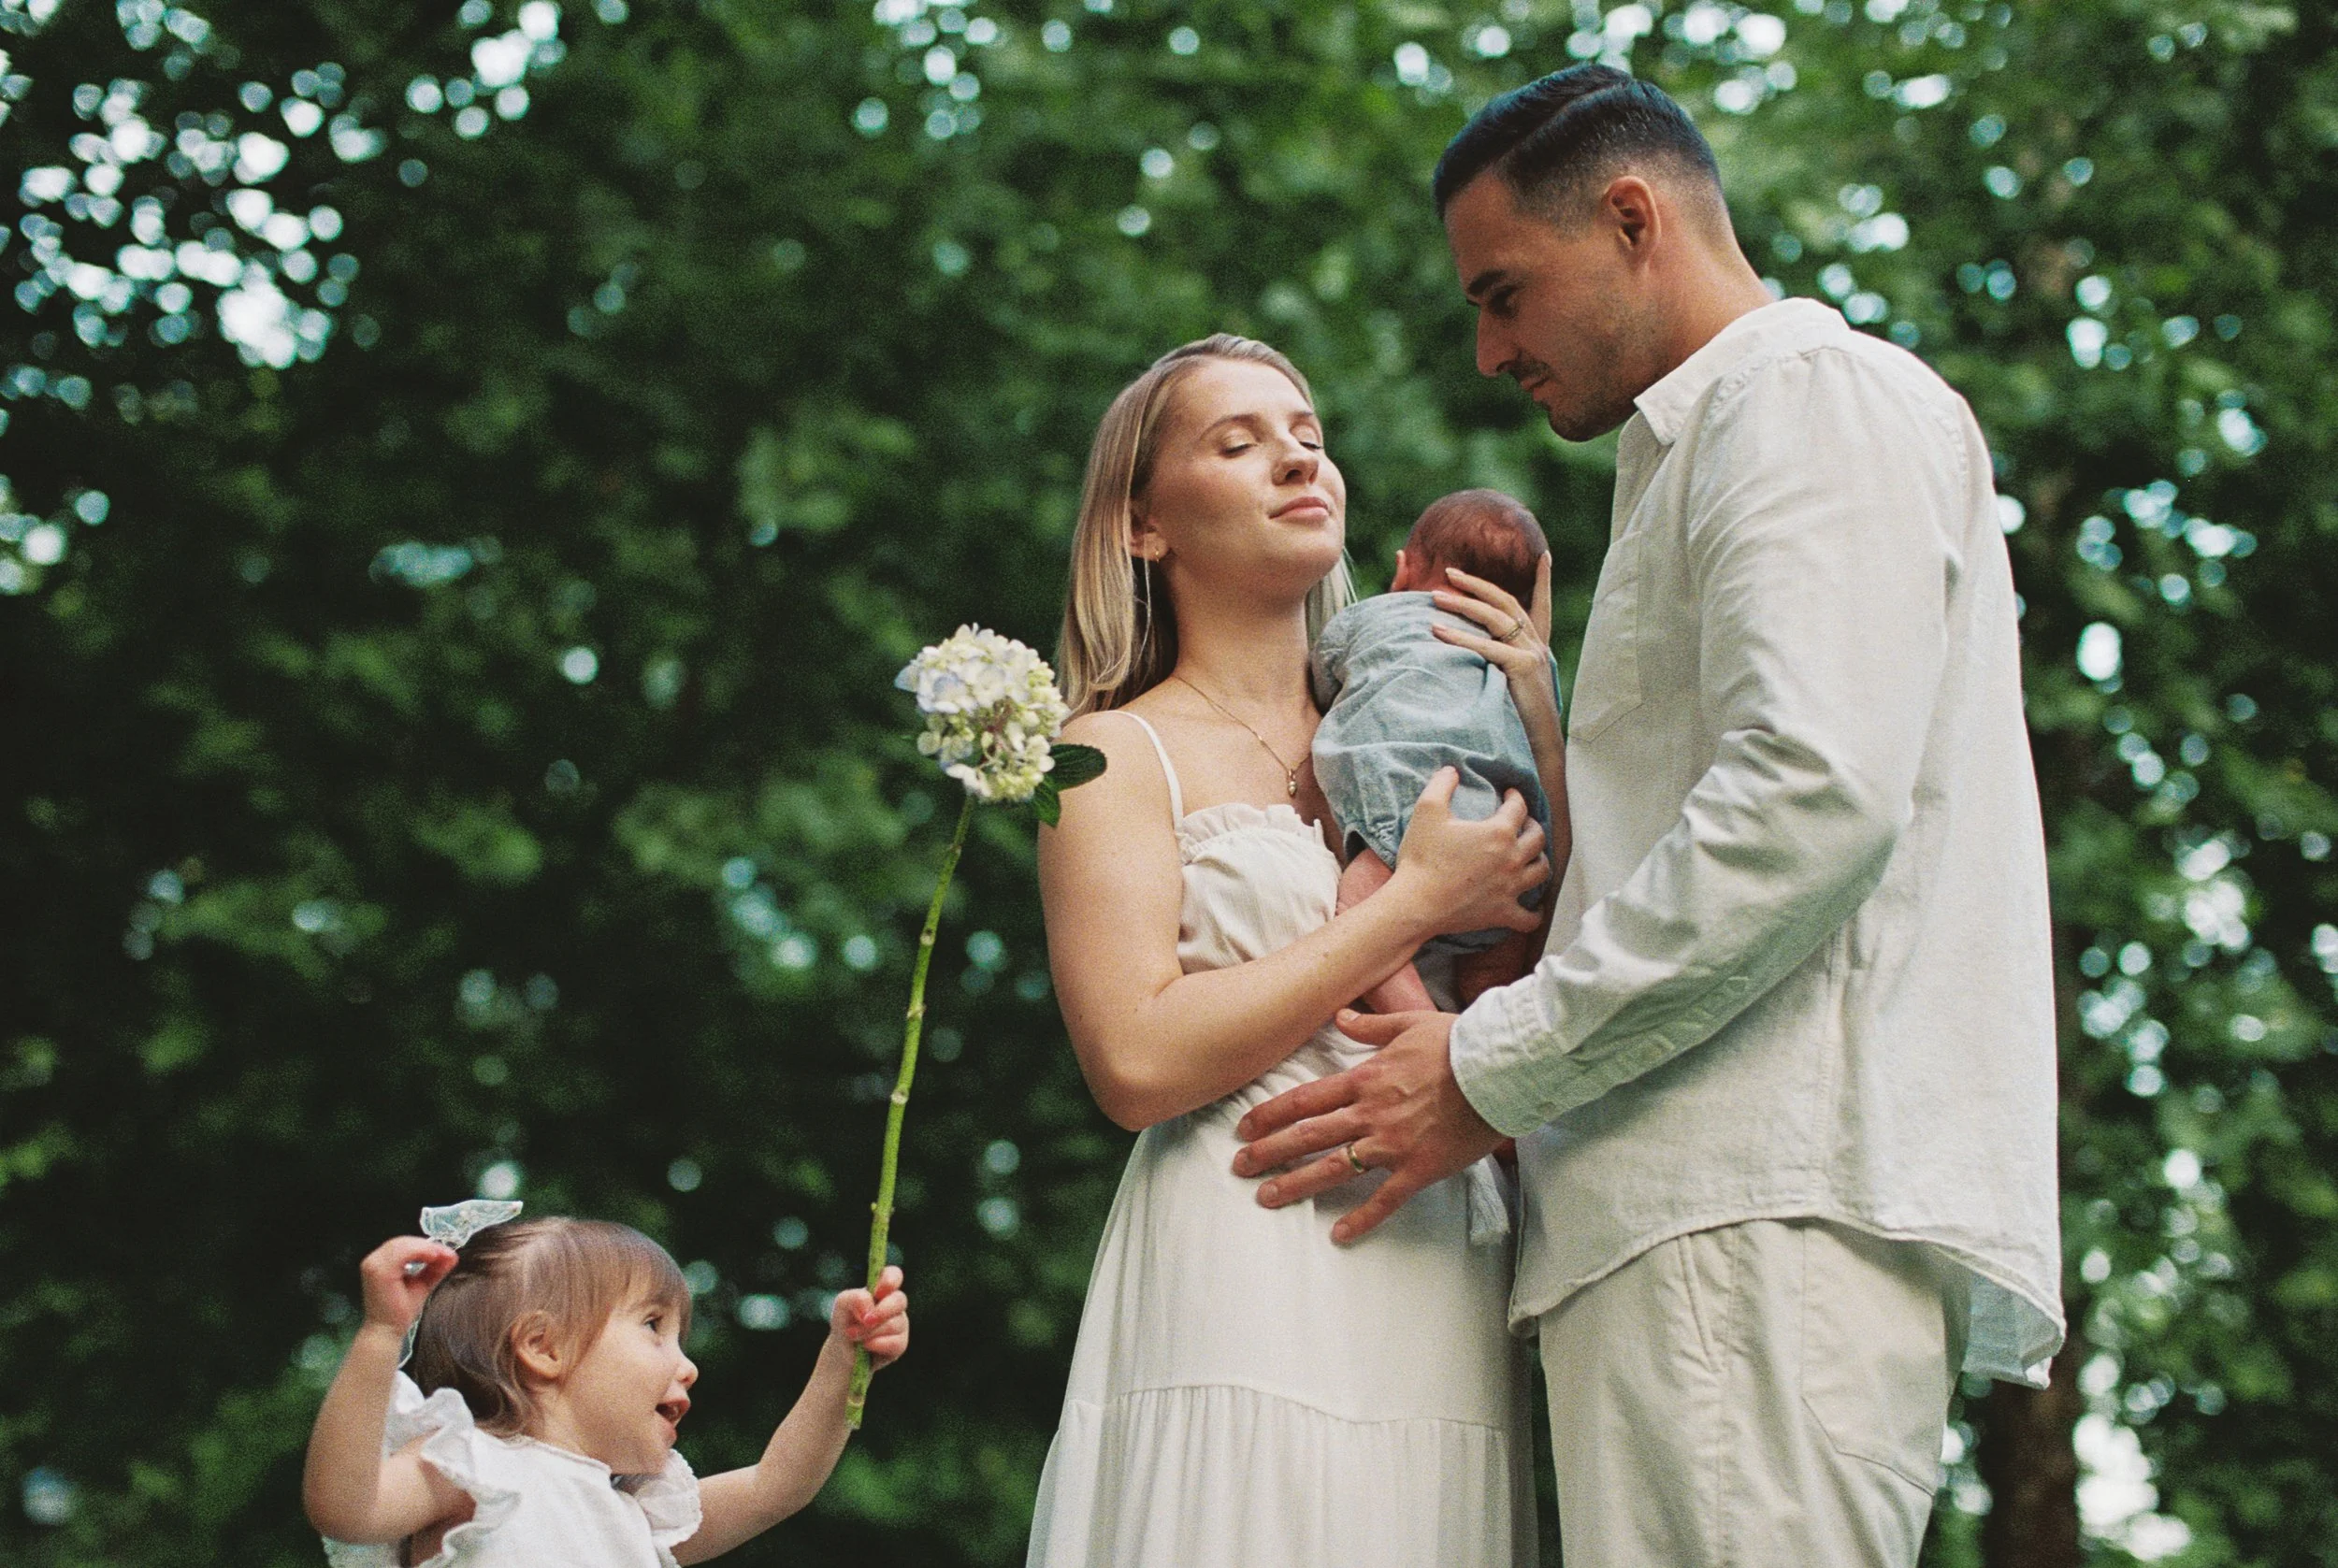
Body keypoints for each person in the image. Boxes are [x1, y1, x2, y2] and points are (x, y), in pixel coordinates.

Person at [1233, 65, 2064, 1568]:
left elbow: (1808, 797)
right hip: (1703, 1229)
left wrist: (1491, 1066)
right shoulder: (1706, 449)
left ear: (1631, 220)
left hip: (1750, 1219)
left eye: (1504, 293)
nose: (1488, 352)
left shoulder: (1803, 401)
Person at [1026, 334, 1550, 1566]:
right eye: (1238, 440)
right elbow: (1136, 1060)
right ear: (1144, 525)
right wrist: (1408, 901)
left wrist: (1533, 706)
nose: (1295, 458)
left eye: (1307, 433)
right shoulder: (1103, 753)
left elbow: (1546, 947)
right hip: (1243, 1261)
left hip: (1442, 1256)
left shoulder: (1438, 718)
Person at [302, 1210, 910, 1566]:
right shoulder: (473, 1466)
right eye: (654, 1326)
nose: (688, 1365)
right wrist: (382, 1334)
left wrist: (842, 1358)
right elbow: (347, 1507)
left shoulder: (635, 1511)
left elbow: (777, 1485)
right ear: (543, 1347)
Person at [1311, 488, 1570, 1015]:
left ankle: (1419, 1027)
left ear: (1404, 568)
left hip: (1412, 816)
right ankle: (1481, 1022)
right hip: (1512, 833)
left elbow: (1326, 671)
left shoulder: (1375, 618)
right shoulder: (1530, 661)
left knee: (1361, 912)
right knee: (1502, 957)